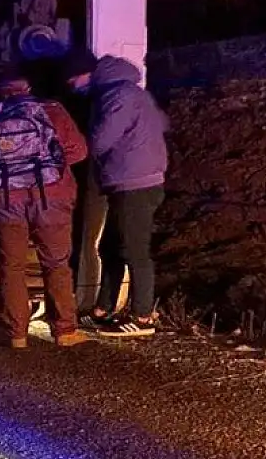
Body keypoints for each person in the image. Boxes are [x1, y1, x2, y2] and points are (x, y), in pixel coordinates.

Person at [0, 66, 89, 348]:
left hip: (5, 198)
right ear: (26, 87)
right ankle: (64, 331)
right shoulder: (50, 109)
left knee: (11, 266)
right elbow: (79, 150)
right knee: (56, 264)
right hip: (51, 196)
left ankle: (17, 335)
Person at [63, 51, 169, 337]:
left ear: (89, 74)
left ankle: (143, 317)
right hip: (130, 181)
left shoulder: (118, 96)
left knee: (135, 251)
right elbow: (162, 123)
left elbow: (100, 140)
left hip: (135, 183)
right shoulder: (127, 92)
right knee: (110, 247)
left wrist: (74, 149)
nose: (73, 85)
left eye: (74, 79)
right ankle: (103, 309)